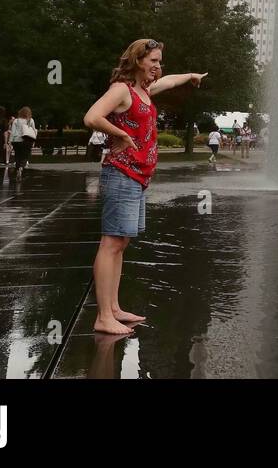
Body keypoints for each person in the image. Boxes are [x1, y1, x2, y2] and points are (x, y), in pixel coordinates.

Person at [84, 37, 207, 335]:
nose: (158, 67)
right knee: (111, 243)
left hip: (138, 176)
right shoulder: (121, 90)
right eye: (153, 61)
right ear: (138, 60)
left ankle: (113, 308)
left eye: (160, 62)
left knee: (121, 243)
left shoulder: (145, 90)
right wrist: (121, 135)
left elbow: (171, 81)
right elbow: (91, 117)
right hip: (122, 173)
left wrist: (190, 76)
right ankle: (103, 316)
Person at [9, 107, 37, 180]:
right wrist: (33, 141)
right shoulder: (31, 120)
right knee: (25, 156)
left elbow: (12, 132)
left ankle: (18, 169)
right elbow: (33, 131)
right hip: (27, 141)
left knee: (17, 156)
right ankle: (21, 167)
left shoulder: (16, 121)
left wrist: (10, 141)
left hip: (16, 141)